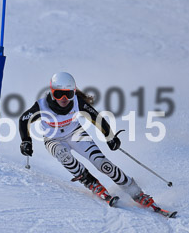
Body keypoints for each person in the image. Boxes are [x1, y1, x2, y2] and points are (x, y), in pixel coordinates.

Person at [19, 72, 155, 207]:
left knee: (102, 163)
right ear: (52, 92)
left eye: (69, 94)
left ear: (74, 92)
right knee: (64, 156)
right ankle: (91, 183)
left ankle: (136, 191)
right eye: (59, 94)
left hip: (76, 133)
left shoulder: (77, 102)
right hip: (53, 139)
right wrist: (26, 141)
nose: (64, 98)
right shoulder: (42, 106)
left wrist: (110, 137)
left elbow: (96, 118)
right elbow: (24, 120)